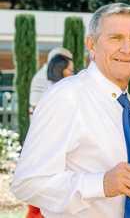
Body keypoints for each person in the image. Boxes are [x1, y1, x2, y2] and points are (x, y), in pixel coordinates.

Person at [11, 3, 130, 218]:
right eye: (115, 38)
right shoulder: (68, 96)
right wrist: (101, 184)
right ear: (91, 44)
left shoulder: (126, 102)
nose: (127, 49)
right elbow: (27, 183)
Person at [25, 54, 74, 218]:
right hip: (51, 153)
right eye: (70, 69)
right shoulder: (59, 93)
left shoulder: (50, 89)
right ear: (61, 70)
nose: (72, 73)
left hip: (42, 153)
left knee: (38, 203)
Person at [29, 47, 73, 113]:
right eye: (70, 70)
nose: (72, 74)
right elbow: (35, 105)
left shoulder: (56, 79)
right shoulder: (42, 78)